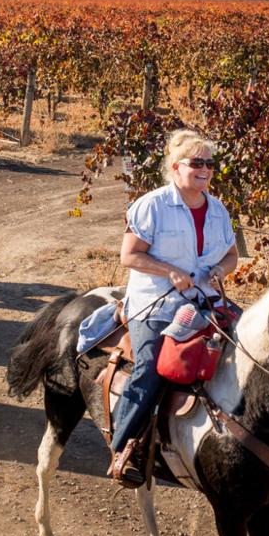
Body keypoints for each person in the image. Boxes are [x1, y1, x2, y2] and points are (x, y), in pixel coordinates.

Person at [109, 129, 239, 487]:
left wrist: (217, 272)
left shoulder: (217, 210)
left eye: (210, 163)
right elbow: (129, 255)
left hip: (205, 301)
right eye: (197, 163)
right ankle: (123, 450)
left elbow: (232, 256)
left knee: (247, 347)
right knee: (152, 367)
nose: (206, 169)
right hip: (156, 304)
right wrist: (169, 271)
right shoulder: (152, 205)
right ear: (175, 166)